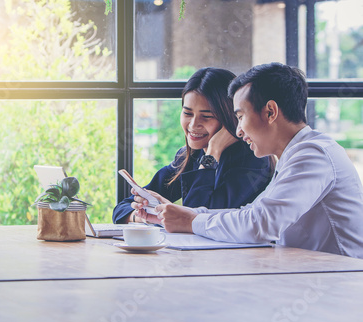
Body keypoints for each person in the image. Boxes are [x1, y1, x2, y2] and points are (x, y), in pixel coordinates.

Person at [153, 62, 363, 259]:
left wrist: (191, 220)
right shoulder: (294, 156)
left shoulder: (314, 155)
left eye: (241, 117)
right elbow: (250, 214)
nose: (238, 130)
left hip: (337, 282)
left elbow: (260, 223)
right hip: (309, 277)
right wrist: (188, 214)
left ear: (270, 112)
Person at [112, 67, 273, 224]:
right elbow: (122, 208)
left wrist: (213, 152)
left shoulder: (253, 159)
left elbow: (198, 220)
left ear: (230, 118)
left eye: (207, 116)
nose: (193, 125)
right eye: (187, 113)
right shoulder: (191, 155)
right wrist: (141, 216)